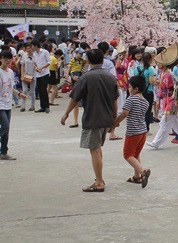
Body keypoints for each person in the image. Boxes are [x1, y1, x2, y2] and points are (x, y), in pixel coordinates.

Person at [61, 49, 119, 192]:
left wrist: (66, 114)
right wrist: (114, 120)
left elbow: (75, 98)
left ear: (88, 61)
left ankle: (99, 182)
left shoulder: (86, 77)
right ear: (102, 60)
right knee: (97, 149)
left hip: (93, 118)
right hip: (106, 118)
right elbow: (115, 101)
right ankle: (99, 178)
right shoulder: (111, 77)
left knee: (95, 150)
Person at [112, 75, 151, 188]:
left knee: (128, 155)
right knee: (136, 154)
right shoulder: (145, 102)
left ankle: (143, 172)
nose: (128, 89)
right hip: (143, 132)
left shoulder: (131, 99)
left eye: (130, 87)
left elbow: (124, 113)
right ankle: (136, 176)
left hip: (133, 132)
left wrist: (114, 124)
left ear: (136, 89)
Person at [1, 50, 27, 160]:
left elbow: (10, 87)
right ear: (1, 59)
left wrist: (20, 94)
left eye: (9, 59)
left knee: (7, 129)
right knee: (5, 126)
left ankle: (3, 152)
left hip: (8, 103)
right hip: (0, 105)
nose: (7, 61)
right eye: (5, 58)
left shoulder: (11, 72)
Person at [137, 52, 157, 132]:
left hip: (138, 92)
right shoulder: (150, 69)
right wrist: (156, 79)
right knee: (147, 110)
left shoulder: (137, 68)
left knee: (139, 110)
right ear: (150, 59)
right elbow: (152, 82)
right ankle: (146, 128)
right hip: (148, 91)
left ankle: (138, 127)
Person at [32, 40, 51, 114]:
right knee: (40, 90)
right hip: (38, 74)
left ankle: (47, 106)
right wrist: (36, 67)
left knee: (44, 89)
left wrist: (42, 67)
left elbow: (49, 62)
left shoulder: (45, 52)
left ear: (36, 46)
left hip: (45, 73)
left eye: (32, 46)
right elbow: (34, 63)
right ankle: (42, 107)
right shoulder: (34, 54)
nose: (32, 48)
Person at [19, 44, 36, 112]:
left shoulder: (35, 56)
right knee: (25, 90)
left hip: (33, 75)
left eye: (30, 48)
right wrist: (22, 75)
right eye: (27, 48)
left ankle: (32, 105)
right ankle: (23, 106)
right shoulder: (24, 55)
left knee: (32, 91)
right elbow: (22, 65)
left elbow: (36, 65)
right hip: (25, 75)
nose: (28, 49)